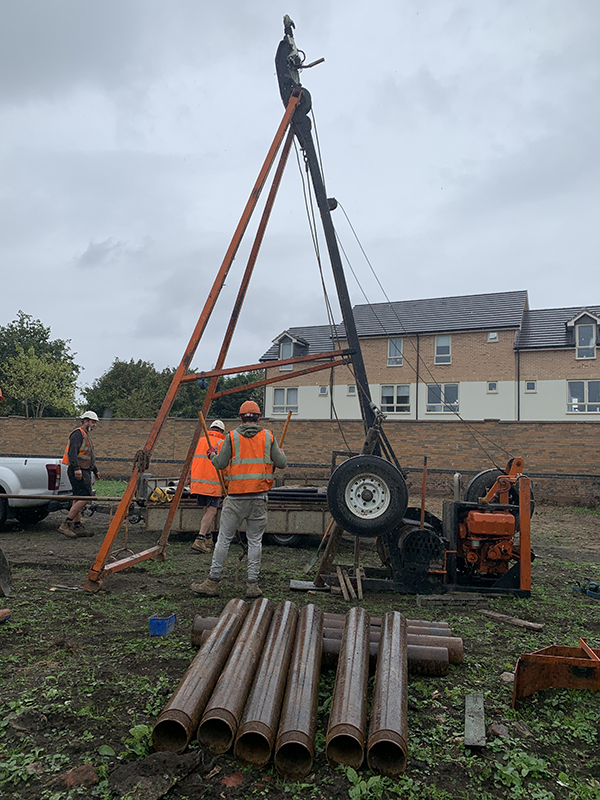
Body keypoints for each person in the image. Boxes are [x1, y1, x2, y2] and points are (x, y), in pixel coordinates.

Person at [190, 400, 287, 599]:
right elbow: (282, 463)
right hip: (259, 498)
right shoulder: (269, 437)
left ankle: (213, 581)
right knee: (255, 541)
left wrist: (212, 454)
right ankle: (252, 584)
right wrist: (280, 454)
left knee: (223, 540)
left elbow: (220, 463)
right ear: (258, 417)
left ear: (241, 418)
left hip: (235, 498)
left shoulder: (232, 437)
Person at [58, 411, 99, 538]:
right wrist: (76, 469)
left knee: (77, 497)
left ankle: (77, 525)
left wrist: (95, 470)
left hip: (84, 469)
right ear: (85, 421)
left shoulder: (85, 435)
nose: (94, 425)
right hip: (79, 470)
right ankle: (66, 524)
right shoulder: (78, 434)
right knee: (86, 497)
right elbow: (73, 453)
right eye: (92, 422)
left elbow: (87, 455)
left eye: (95, 423)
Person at [189, 419, 227, 554]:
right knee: (211, 512)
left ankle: (208, 538)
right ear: (222, 431)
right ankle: (199, 539)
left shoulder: (199, 441)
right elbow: (224, 464)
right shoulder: (221, 443)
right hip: (213, 483)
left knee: (206, 511)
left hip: (199, 482)